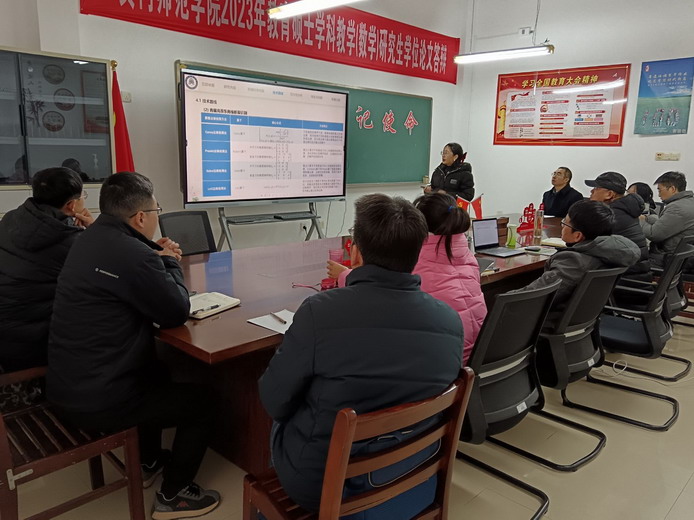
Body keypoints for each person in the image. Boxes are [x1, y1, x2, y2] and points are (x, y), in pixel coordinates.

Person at [260, 194, 462, 516]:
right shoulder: (450, 320)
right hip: (414, 469)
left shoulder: (319, 313)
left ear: (355, 251)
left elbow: (273, 400)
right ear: (417, 253)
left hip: (327, 486)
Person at [47, 172, 220, 520]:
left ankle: (149, 460)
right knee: (205, 402)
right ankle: (174, 496)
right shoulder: (134, 253)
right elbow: (175, 311)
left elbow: (125, 271)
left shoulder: (89, 238)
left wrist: (155, 256)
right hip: (100, 398)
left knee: (158, 370)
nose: (156, 216)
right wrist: (168, 261)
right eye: (156, 210)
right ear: (141, 217)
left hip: (66, 383)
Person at [329, 193, 485, 365]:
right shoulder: (468, 256)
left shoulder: (416, 258)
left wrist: (344, 274)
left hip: (446, 361)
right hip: (478, 356)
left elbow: (380, 285)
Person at [0, 167, 93, 373]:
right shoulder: (72, 242)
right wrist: (92, 231)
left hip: (6, 334)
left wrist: (75, 229)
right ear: (71, 205)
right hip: (34, 345)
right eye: (82, 196)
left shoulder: (10, 220)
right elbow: (105, 272)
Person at [512, 199, 640, 323]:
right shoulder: (611, 254)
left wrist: (502, 297)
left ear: (577, 236)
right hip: (580, 322)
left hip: (548, 322)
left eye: (565, 223)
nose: (562, 226)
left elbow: (534, 296)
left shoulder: (572, 262)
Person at [586, 171, 651, 279]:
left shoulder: (610, 216)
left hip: (623, 281)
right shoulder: (625, 211)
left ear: (609, 194)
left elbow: (586, 244)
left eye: (596, 188)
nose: (591, 191)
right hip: (634, 276)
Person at [640, 171, 694, 267]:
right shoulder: (689, 202)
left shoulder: (677, 208)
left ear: (672, 189)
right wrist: (648, 218)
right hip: (684, 257)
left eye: (660, 190)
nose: (659, 195)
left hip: (668, 259)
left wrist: (639, 221)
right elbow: (668, 225)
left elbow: (653, 234)